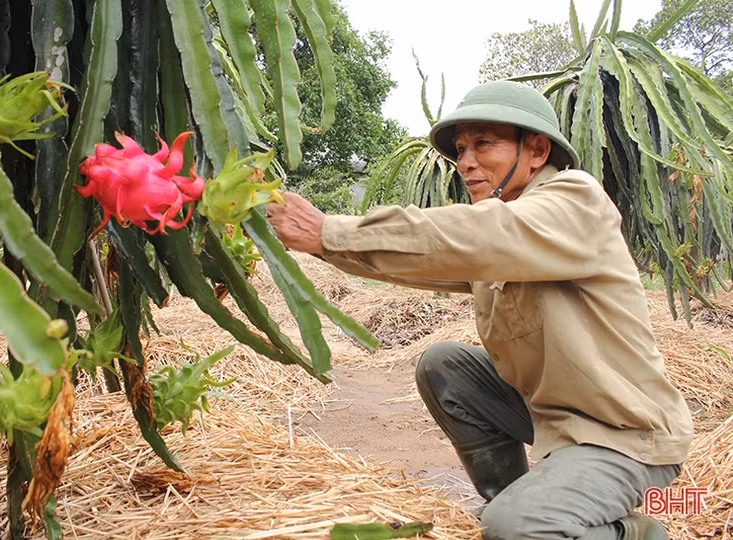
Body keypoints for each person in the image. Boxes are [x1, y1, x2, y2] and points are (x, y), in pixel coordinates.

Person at [265, 80, 693, 540]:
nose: (465, 162)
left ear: (536, 149)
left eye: (483, 143)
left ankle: (629, 531)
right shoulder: (504, 226)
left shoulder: (574, 202)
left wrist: (333, 229)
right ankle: (514, 500)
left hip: (624, 434)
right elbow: (423, 259)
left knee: (518, 527)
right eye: (461, 149)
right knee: (445, 364)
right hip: (554, 417)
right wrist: (317, 241)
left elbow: (478, 234)